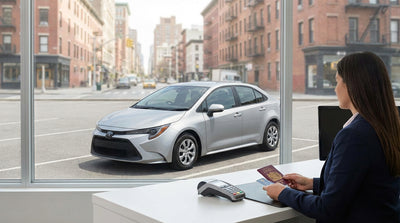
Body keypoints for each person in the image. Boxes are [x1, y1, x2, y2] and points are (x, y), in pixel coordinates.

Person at [264, 51, 400, 222]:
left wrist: (283, 193)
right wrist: (312, 183)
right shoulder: (386, 125)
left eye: (337, 81)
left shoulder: (354, 136)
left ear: (351, 85)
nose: (335, 89)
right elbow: (367, 185)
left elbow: (328, 209)